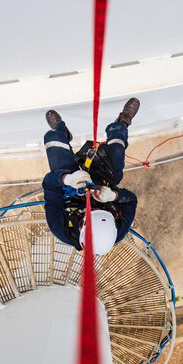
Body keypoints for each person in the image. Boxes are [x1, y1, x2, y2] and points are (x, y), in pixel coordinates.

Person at [42, 98, 140, 255]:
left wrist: (67, 179)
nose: (91, 208)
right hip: (103, 185)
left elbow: (49, 186)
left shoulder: (61, 229)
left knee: (53, 141)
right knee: (115, 162)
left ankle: (61, 131)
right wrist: (113, 196)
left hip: (71, 187)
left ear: (81, 227)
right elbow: (131, 201)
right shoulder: (118, 231)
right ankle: (122, 123)